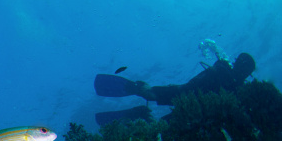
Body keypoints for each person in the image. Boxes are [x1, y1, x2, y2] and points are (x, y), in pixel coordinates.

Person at [93, 53, 256, 126]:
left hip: (191, 113)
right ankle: (142, 107)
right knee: (161, 130)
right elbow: (189, 90)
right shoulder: (228, 81)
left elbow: (187, 90)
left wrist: (155, 92)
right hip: (195, 117)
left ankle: (141, 109)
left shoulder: (223, 76)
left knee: (160, 128)